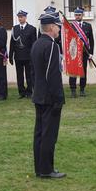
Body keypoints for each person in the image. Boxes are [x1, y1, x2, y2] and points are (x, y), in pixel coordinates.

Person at [31, 11, 66, 179]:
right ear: (51, 27)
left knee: (39, 133)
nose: (59, 29)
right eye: (57, 26)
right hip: (49, 97)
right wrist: (59, 98)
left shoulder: (37, 44)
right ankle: (46, 169)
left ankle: (39, 168)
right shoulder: (52, 45)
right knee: (48, 134)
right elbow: (52, 75)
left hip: (38, 95)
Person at [9, 10, 37, 99]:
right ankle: (21, 92)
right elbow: (12, 43)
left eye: (22, 17)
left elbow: (34, 44)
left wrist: (34, 56)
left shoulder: (32, 29)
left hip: (28, 56)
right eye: (19, 17)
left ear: (25, 17)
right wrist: (10, 55)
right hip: (18, 56)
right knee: (19, 76)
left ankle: (29, 91)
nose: (20, 18)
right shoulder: (15, 28)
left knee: (29, 75)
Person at [69, 7, 94, 97]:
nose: (77, 16)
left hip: (84, 52)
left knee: (83, 71)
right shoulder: (71, 26)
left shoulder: (88, 26)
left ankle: (82, 89)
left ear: (82, 15)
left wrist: (91, 53)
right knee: (73, 71)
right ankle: (73, 90)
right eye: (76, 15)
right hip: (74, 53)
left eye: (79, 15)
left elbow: (91, 40)